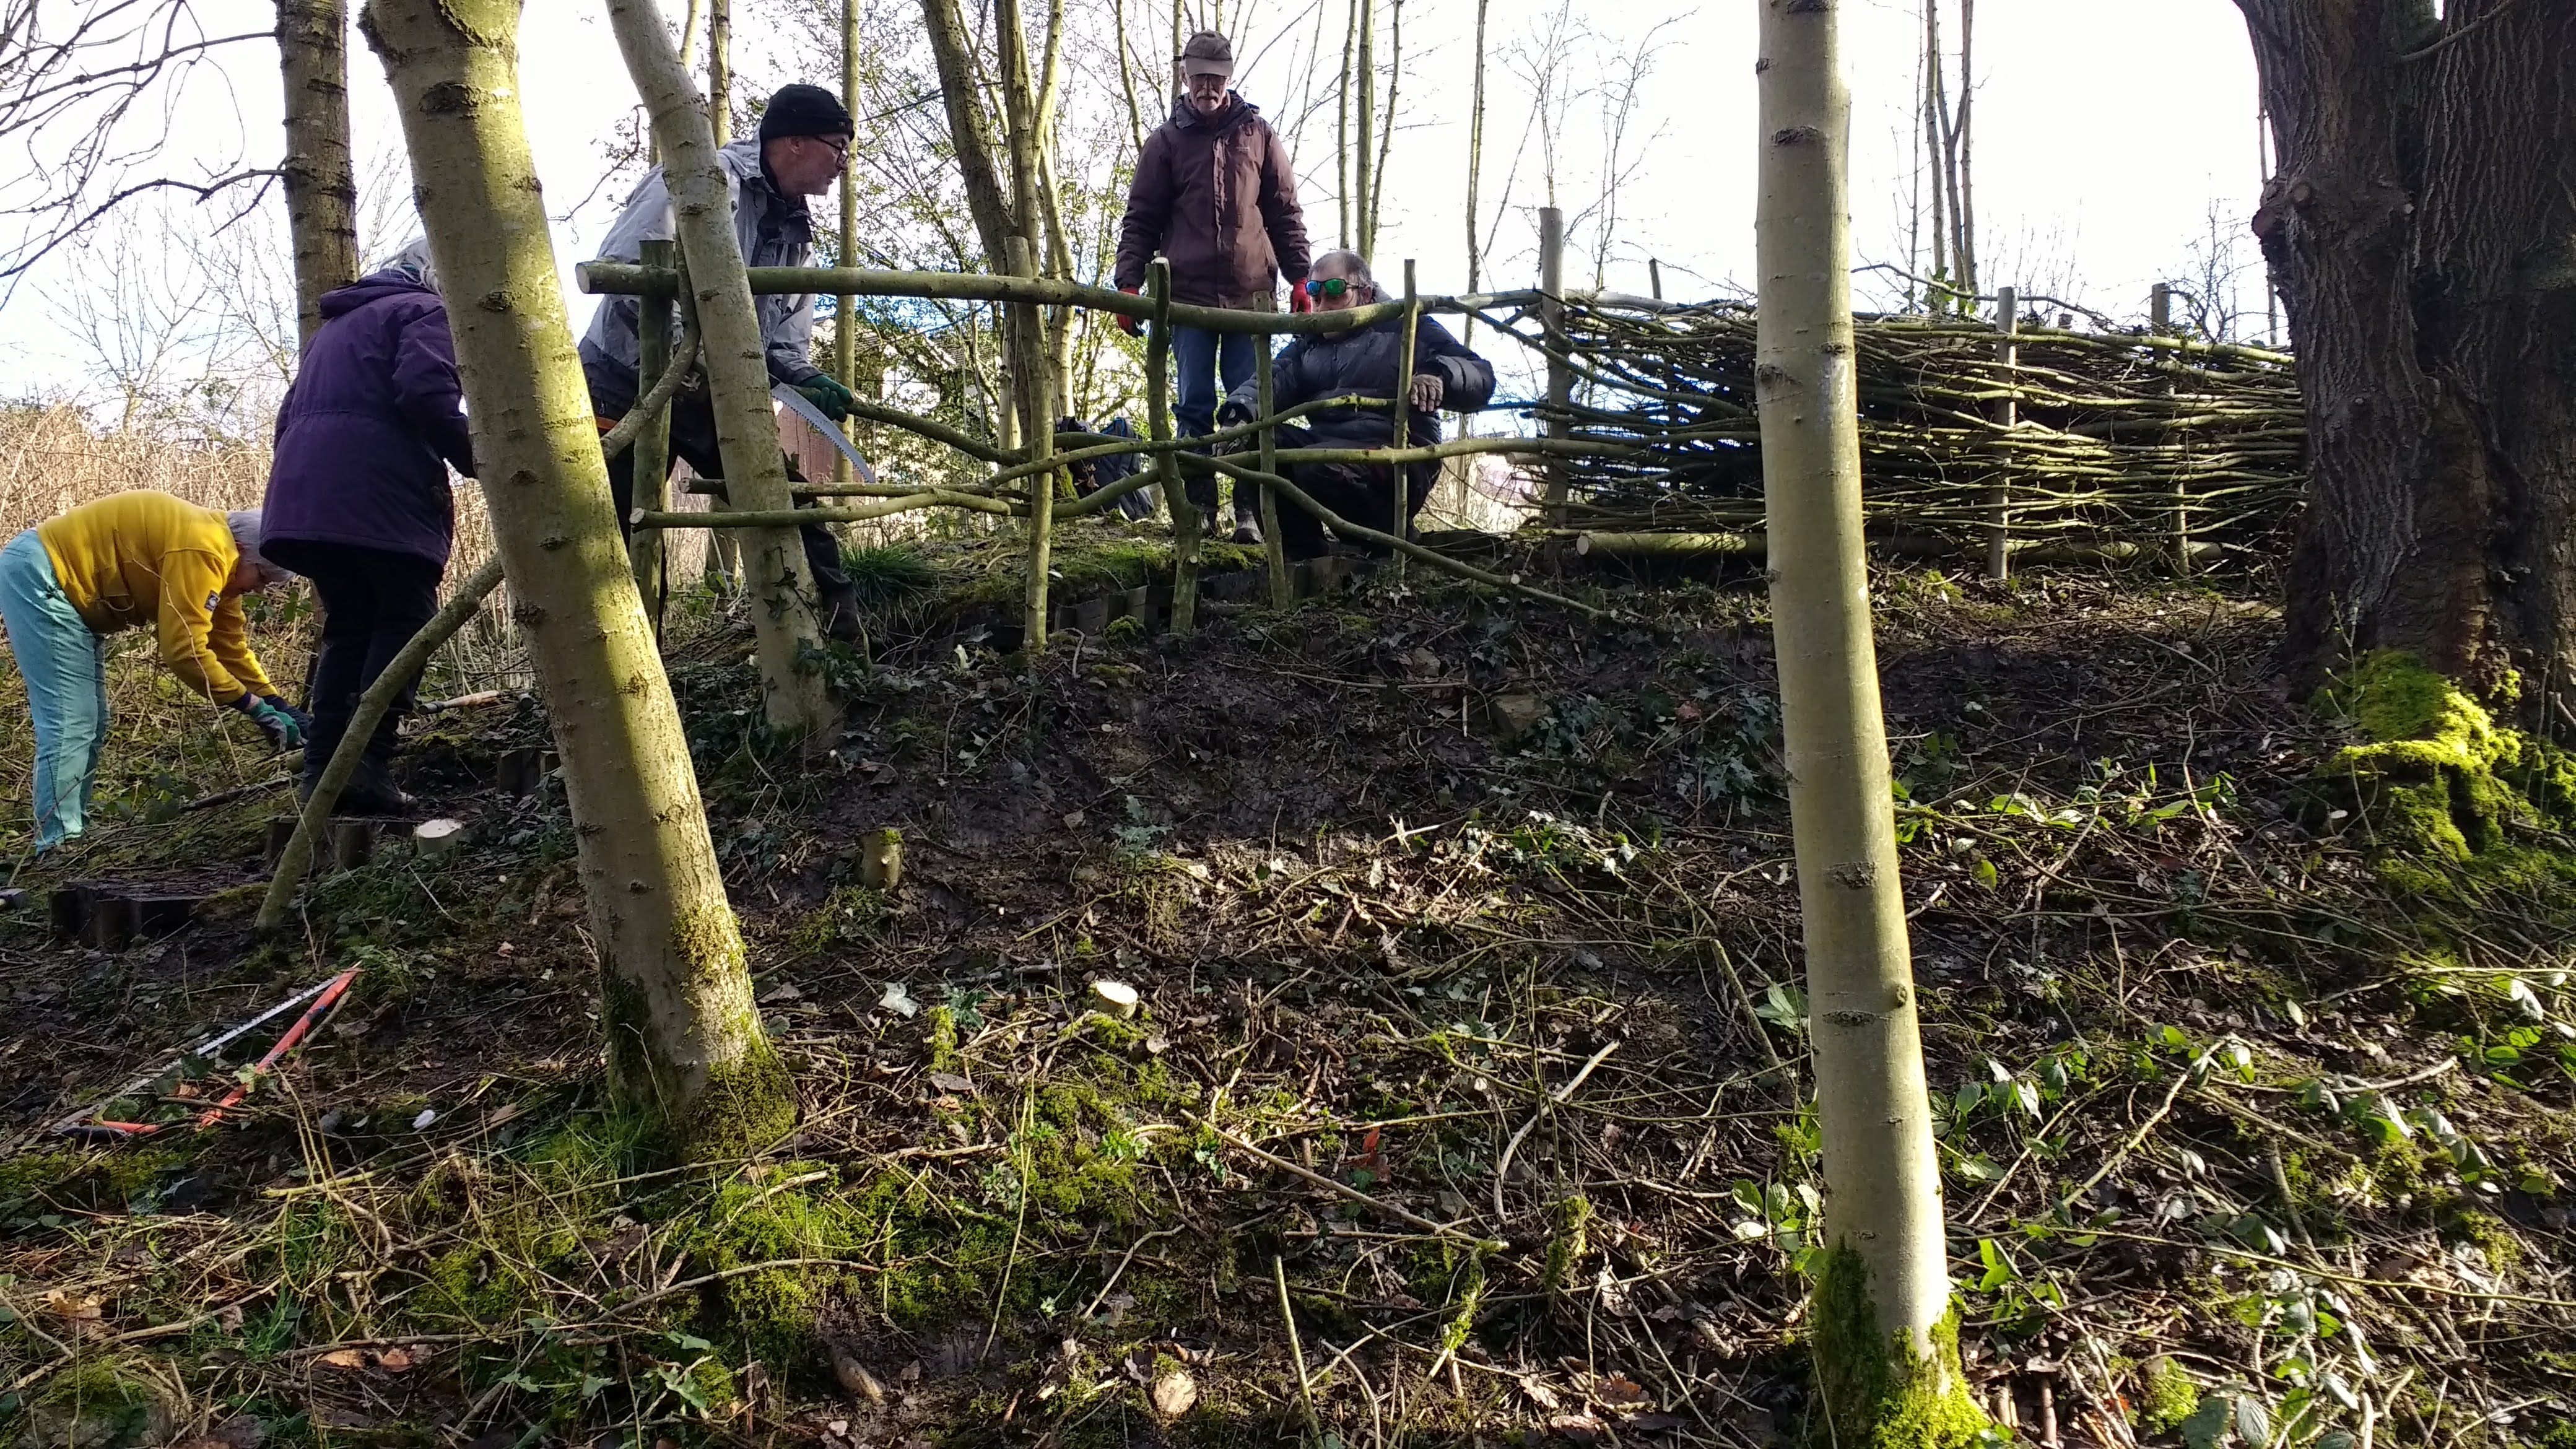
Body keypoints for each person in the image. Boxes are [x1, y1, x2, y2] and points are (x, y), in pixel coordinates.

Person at [581, 82, 863, 640]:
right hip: (623, 377)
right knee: (610, 543)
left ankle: (839, 649)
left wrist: (804, 379)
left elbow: (780, 334)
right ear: (797, 144)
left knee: (788, 506)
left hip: (716, 391)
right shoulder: (702, 181)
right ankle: (624, 673)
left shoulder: (795, 231)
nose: (844, 164)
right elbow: (628, 273)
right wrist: (706, 357)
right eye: (839, 148)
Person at [260, 237, 474, 817]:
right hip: (378, 497)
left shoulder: (336, 329)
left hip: (309, 501)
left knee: (351, 627)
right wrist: (478, 458)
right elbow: (427, 393)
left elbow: (288, 417)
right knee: (406, 620)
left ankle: (322, 775)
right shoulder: (423, 310)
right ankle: (368, 765)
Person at [0, 492, 300, 851]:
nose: (259, 589)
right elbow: (183, 650)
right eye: (263, 577)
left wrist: (277, 703)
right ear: (242, 548)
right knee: (71, 720)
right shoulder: (205, 549)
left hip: (59, 586)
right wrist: (251, 706)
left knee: (90, 721)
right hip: (42, 576)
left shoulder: (220, 557)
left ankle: (71, 830)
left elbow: (228, 645)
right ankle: (58, 843)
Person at [1113, 30, 1312, 545]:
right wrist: (1129, 284)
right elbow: (1141, 219)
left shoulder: (1259, 135)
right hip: (1188, 296)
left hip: (1251, 295)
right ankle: (1202, 508)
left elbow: (1284, 210)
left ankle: (1248, 510)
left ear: (1229, 79)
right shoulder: (1165, 143)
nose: (1208, 87)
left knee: (1247, 405)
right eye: (1200, 77)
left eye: (1217, 78)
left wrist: (1301, 277)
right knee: (1195, 403)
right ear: (1185, 78)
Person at [1218, 250, 1495, 560]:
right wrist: (1238, 415)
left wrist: (1438, 374)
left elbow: (1479, 375)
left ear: (1364, 293)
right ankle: (1302, 558)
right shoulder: (1309, 344)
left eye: (1334, 292)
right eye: (1315, 294)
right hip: (1325, 450)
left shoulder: (1405, 325)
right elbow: (1270, 381)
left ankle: (1387, 539)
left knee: (1315, 465)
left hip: (1393, 457)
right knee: (1256, 446)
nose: (1322, 305)